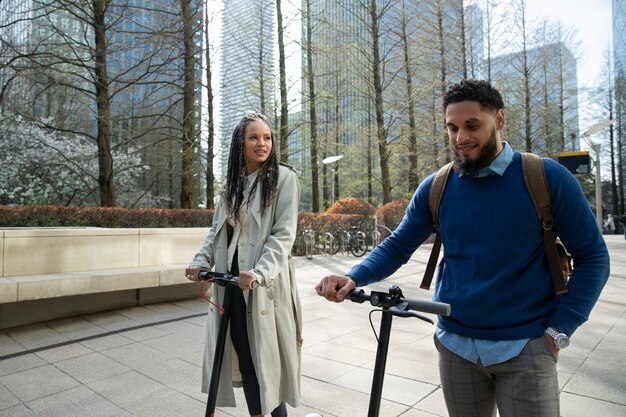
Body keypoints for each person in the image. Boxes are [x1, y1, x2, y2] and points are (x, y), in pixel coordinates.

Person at [315, 80, 610, 417]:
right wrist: (354, 276)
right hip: (455, 348)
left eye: (472, 125)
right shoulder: (437, 187)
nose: (460, 138)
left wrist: (560, 330)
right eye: (452, 128)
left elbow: (593, 257)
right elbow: (397, 246)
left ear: (499, 120)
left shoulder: (547, 178)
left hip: (526, 348)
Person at [186, 112, 302, 417]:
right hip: (232, 285)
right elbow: (216, 232)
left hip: (264, 285)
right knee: (248, 359)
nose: (262, 143)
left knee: (268, 363)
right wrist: (200, 262)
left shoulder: (284, 179)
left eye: (267, 138)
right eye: (254, 137)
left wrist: (260, 272)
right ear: (241, 143)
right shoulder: (231, 188)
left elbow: (283, 235)